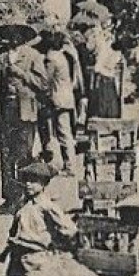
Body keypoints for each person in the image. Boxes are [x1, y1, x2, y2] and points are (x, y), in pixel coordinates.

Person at [0, 32, 45, 206]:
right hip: (7, 110)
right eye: (10, 36)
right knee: (6, 154)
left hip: (26, 111)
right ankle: (9, 196)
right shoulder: (0, 56)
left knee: (24, 153)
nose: (13, 39)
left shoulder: (33, 55)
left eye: (17, 36)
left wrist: (21, 73)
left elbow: (43, 83)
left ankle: (23, 195)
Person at [2, 161, 76, 276]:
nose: (28, 184)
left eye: (33, 181)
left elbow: (69, 229)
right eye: (26, 181)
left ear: (44, 184)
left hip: (36, 259)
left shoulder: (46, 206)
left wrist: (55, 243)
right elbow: (14, 230)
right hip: (17, 259)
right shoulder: (22, 204)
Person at [37, 30, 81, 171]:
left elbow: (46, 79)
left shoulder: (51, 58)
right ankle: (69, 164)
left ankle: (67, 165)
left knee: (60, 133)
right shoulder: (63, 56)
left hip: (57, 99)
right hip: (66, 97)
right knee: (65, 132)